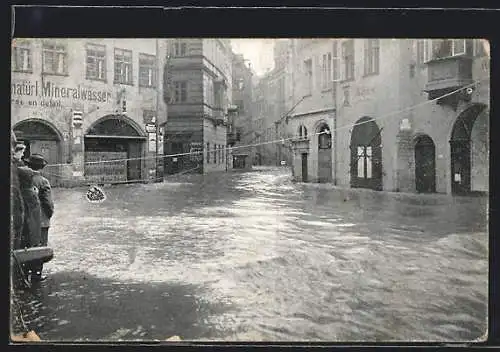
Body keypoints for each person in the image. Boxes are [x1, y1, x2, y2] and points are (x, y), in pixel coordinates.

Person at [25, 154, 54, 282]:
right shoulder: (43, 181)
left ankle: (25, 272)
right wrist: (50, 214)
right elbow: (48, 203)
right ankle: (37, 273)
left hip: (26, 218)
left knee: (27, 245)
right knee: (40, 246)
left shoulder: (23, 179)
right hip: (41, 220)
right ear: (41, 167)